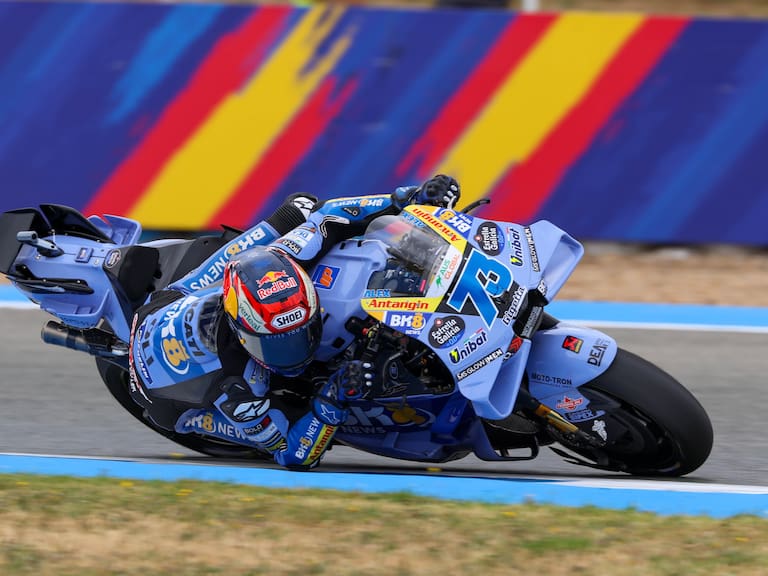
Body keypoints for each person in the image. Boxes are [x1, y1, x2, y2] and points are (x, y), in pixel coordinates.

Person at [127, 175, 461, 469]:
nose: (296, 350)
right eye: (278, 344)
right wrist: (334, 395)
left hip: (182, 296)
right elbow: (294, 454)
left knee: (300, 209)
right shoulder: (238, 390)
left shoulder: (289, 254)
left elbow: (332, 214)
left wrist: (409, 198)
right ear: (246, 337)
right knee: (256, 419)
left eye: (301, 333)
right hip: (162, 393)